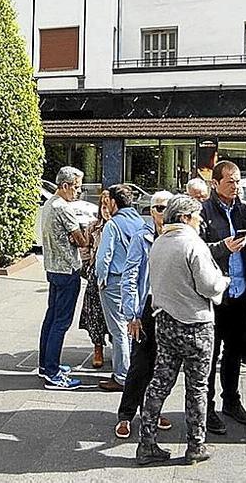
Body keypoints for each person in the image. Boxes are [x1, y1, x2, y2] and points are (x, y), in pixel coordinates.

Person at [136, 195, 229, 466]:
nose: (201, 222)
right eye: (198, 216)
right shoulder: (193, 244)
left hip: (165, 322)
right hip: (195, 325)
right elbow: (209, 286)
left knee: (159, 384)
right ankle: (195, 445)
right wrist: (223, 282)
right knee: (197, 388)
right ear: (186, 218)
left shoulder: (158, 243)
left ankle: (147, 443)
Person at [198, 161, 246, 434]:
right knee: (210, 354)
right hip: (215, 295)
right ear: (215, 183)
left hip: (241, 293)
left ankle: (231, 400)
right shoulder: (203, 211)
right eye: (230, 181)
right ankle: (206, 407)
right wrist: (224, 247)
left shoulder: (244, 212)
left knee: (234, 352)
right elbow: (195, 252)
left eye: (237, 181)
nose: (235, 186)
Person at [114, 190, 173, 439]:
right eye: (159, 208)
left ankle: (152, 411)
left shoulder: (179, 235)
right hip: (147, 306)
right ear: (151, 211)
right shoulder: (142, 236)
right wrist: (132, 314)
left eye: (168, 208)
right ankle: (126, 415)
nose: (164, 212)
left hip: (171, 307)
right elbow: (129, 276)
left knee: (163, 367)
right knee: (140, 364)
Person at [39, 166, 88, 390]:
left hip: (52, 267)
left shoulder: (49, 204)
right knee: (61, 322)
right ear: (65, 186)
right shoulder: (64, 208)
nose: (78, 192)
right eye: (76, 187)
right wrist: (85, 227)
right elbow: (81, 240)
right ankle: (52, 373)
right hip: (67, 270)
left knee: (51, 318)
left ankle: (45, 365)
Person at [95, 184, 145, 391]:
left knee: (119, 330)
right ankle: (133, 371)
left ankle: (122, 377)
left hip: (116, 281)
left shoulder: (113, 224)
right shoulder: (141, 222)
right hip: (136, 281)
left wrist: (101, 279)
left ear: (114, 202)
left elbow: (103, 256)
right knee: (132, 326)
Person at [78, 190, 111, 368]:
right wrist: (88, 267)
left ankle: (118, 348)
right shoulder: (93, 226)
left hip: (115, 276)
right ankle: (97, 347)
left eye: (109, 206)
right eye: (103, 206)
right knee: (95, 313)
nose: (106, 210)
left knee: (115, 315)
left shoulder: (120, 226)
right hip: (95, 275)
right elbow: (85, 248)